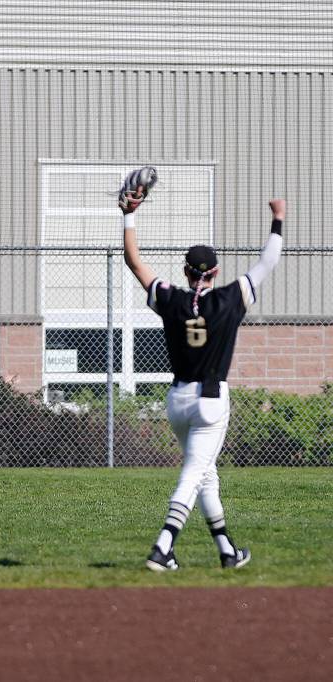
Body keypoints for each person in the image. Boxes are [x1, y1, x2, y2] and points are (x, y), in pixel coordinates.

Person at [119, 168, 284, 572]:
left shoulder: (173, 300)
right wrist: (278, 218)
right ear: (214, 273)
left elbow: (134, 262)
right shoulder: (229, 299)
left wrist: (129, 215)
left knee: (205, 472)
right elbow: (268, 260)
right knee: (194, 473)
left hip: (177, 400)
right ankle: (163, 547)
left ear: (186, 272)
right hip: (211, 400)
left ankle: (227, 551)